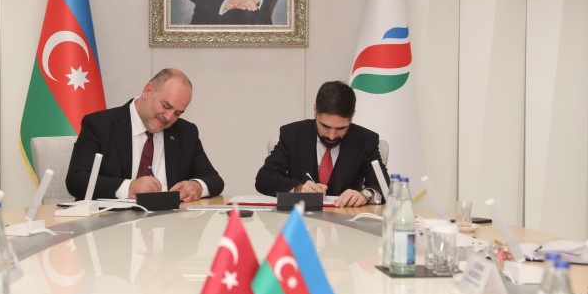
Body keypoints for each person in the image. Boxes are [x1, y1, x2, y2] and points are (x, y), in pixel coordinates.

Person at [65, 68, 224, 202]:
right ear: (147, 91)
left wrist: (197, 186)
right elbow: (76, 180)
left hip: (170, 224)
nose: (169, 117)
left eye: (177, 113)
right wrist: (129, 187)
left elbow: (214, 179)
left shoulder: (185, 132)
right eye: (166, 106)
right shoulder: (100, 124)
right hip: (110, 223)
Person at [255, 81, 389, 207]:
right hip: (299, 218)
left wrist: (366, 195)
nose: (331, 136)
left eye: (341, 128)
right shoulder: (293, 134)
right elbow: (264, 178)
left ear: (352, 116)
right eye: (325, 126)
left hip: (346, 218)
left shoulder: (365, 140)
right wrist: (297, 188)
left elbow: (384, 186)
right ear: (315, 110)